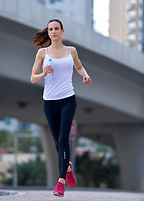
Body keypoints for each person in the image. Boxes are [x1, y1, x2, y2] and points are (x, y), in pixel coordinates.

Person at [30, 19, 91, 197]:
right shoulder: (42, 52)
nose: (54, 31)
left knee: (64, 140)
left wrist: (85, 75)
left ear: (62, 31)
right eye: (51, 29)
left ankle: (61, 182)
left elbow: (79, 66)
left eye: (57, 28)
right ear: (48, 32)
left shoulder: (71, 51)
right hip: (49, 102)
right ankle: (68, 168)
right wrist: (43, 73)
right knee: (58, 143)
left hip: (68, 100)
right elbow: (32, 77)